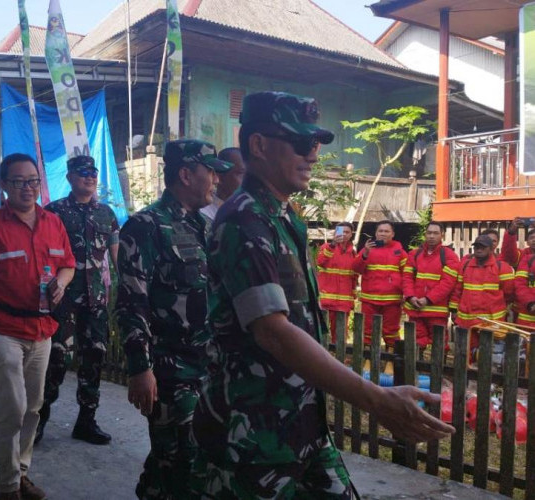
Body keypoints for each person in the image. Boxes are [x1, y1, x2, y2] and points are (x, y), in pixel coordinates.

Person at [191, 91, 454, 500]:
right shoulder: (245, 220)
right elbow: (273, 332)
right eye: (301, 143)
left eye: (315, 144)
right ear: (259, 145)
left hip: (301, 418)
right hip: (252, 434)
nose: (313, 155)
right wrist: (377, 399)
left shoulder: (283, 217)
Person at [116, 139, 232, 499]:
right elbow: (132, 301)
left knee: (179, 456)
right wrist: (140, 368)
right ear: (185, 174)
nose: (216, 179)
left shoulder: (205, 227)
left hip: (207, 367)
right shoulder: (145, 225)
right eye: (209, 171)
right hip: (170, 369)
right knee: (185, 466)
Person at [0, 153, 76, 500]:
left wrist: (62, 283)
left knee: (33, 406)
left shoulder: (53, 222)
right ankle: (7, 484)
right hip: (2, 328)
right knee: (11, 407)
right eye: (19, 181)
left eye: (34, 180)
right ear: (4, 186)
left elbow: (68, 264)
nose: (28, 187)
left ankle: (21, 472)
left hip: (42, 329)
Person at [34, 155, 119, 446]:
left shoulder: (106, 213)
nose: (90, 176)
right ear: (70, 177)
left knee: (94, 357)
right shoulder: (53, 212)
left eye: (94, 172)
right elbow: (40, 253)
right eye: (83, 172)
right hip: (63, 299)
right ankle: (39, 418)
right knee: (57, 358)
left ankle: (86, 421)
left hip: (96, 300)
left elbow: (115, 255)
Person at [352, 220, 407, 373]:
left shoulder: (400, 252)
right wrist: (365, 253)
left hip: (392, 300)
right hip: (370, 298)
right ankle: (369, 359)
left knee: (391, 332)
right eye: (380, 231)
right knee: (368, 331)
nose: (383, 233)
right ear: (375, 234)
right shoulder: (367, 249)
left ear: (393, 234)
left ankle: (389, 361)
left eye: (386, 231)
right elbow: (356, 268)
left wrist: (406, 294)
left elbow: (407, 275)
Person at [450, 234, 515, 354]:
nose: (479, 249)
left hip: (491, 323)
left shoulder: (502, 268)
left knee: (490, 356)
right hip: (467, 321)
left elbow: (509, 294)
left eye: (483, 247)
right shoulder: (465, 266)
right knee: (466, 355)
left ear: (491, 249)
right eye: (476, 247)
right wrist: (454, 310)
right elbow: (457, 290)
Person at [402, 221, 460, 352]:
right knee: (416, 342)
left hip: (436, 311)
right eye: (429, 233)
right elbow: (407, 278)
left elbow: (448, 283)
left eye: (435, 233)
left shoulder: (449, 256)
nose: (431, 236)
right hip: (415, 309)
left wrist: (427, 299)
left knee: (439, 344)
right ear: (425, 234)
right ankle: (416, 369)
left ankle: (438, 370)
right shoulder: (414, 254)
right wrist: (410, 297)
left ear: (442, 235)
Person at [316, 222, 357, 342]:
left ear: (351, 235)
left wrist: (353, 297)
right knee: (320, 332)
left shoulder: (353, 253)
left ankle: (338, 358)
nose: (344, 234)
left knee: (340, 335)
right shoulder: (326, 247)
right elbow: (320, 262)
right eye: (341, 232)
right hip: (326, 299)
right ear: (335, 234)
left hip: (344, 302)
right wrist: (333, 245)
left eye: (347, 232)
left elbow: (354, 277)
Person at [200, 147, 245, 222]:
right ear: (219, 177)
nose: (248, 180)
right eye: (241, 174)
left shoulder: (251, 210)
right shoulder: (204, 215)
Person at [515, 228, 535, 328]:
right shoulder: (526, 259)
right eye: (532, 237)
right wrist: (530, 303)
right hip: (528, 318)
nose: (534, 240)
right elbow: (520, 285)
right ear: (527, 241)